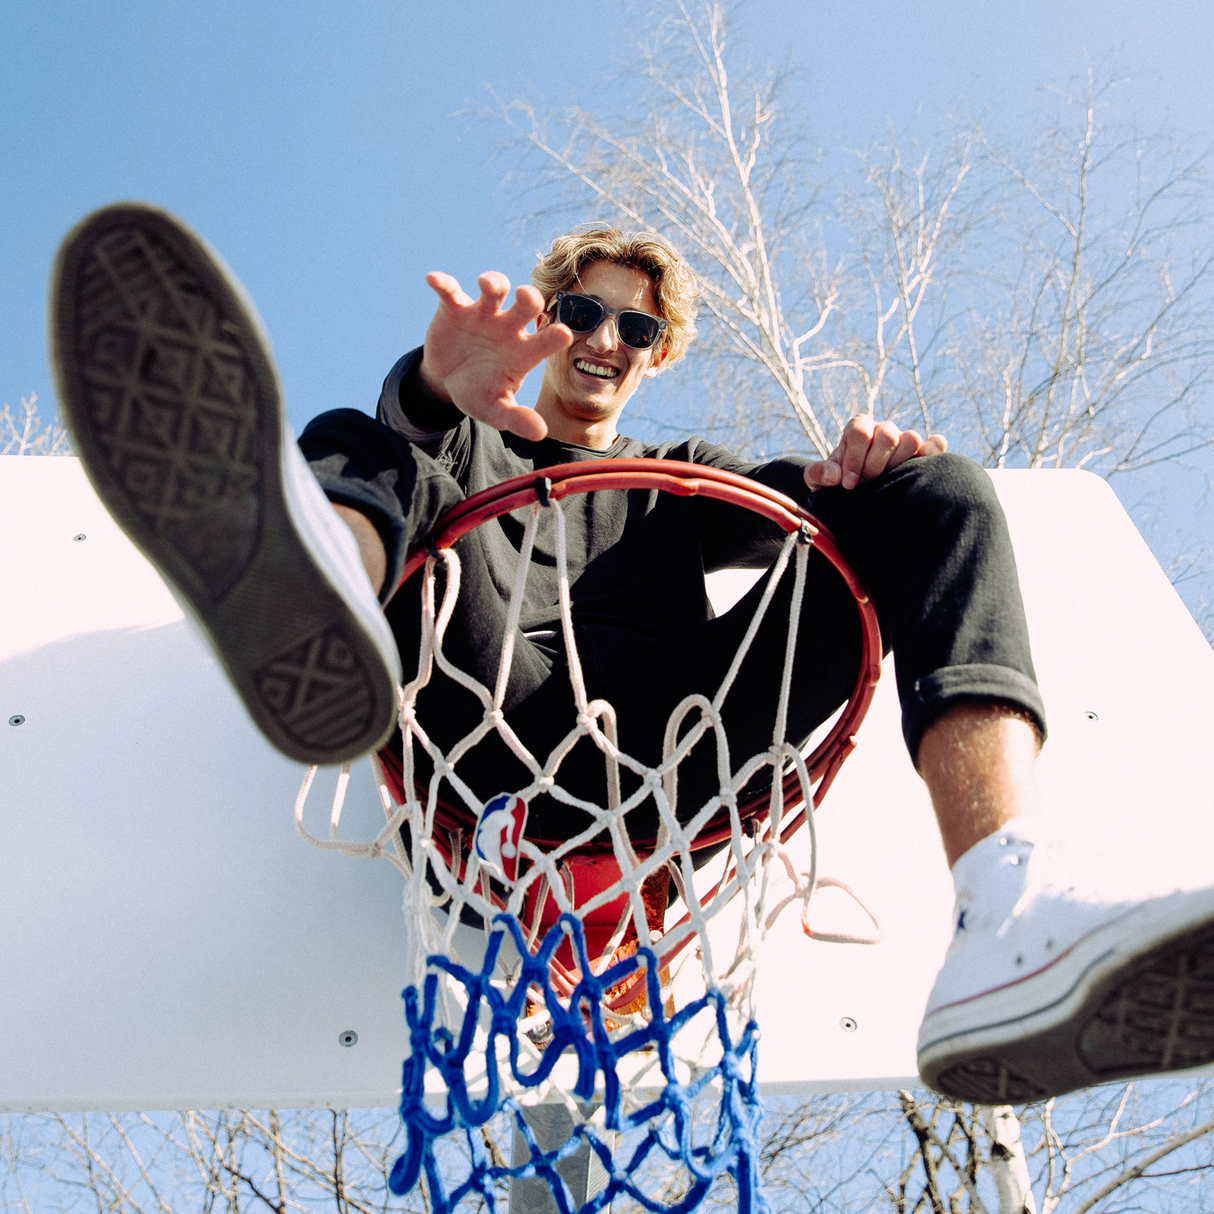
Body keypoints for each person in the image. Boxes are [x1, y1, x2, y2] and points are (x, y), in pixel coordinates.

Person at [50, 202, 1214, 1104]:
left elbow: (807, 498)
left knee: (934, 492)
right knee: (376, 435)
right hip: (479, 726)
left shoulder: (682, 475)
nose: (604, 338)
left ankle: (1004, 901)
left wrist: (873, 467)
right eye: (583, 314)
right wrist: (434, 389)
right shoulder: (472, 432)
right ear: (549, 322)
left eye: (635, 327)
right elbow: (414, 424)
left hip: (670, 762)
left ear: (655, 355)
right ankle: (312, 598)